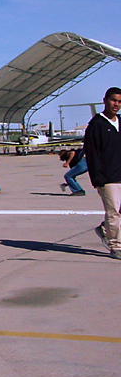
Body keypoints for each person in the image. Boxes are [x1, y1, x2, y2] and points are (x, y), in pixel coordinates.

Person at [84, 87, 121, 260]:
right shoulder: (96, 124)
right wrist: (97, 178)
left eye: (120, 102)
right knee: (113, 211)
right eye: (113, 100)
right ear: (104, 100)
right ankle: (115, 245)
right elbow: (92, 152)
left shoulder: (120, 122)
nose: (116, 104)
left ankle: (105, 229)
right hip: (107, 177)